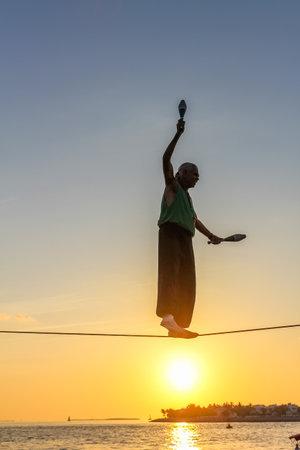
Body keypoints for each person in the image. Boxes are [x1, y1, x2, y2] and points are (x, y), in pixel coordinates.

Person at [156, 118, 223, 338]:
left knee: (187, 281)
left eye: (198, 175)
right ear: (180, 173)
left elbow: (195, 220)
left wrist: (212, 236)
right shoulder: (173, 187)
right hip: (170, 234)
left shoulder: (187, 197)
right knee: (171, 274)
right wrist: (178, 134)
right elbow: (166, 159)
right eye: (193, 173)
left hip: (186, 237)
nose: (197, 177)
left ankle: (178, 324)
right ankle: (167, 317)